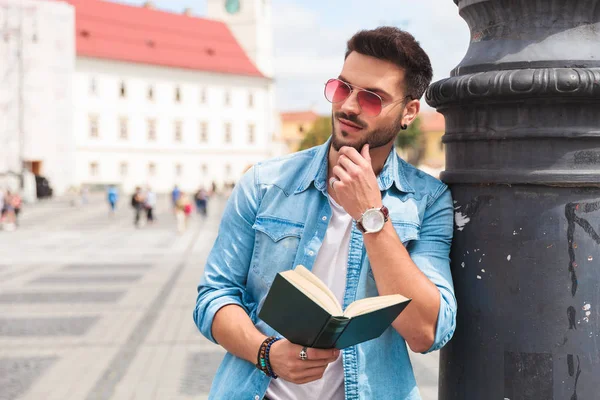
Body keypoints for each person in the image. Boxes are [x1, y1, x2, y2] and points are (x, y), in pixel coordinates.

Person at [193, 27, 456, 400]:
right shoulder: (265, 184)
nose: (348, 105)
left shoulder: (427, 201)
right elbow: (214, 297)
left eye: (372, 98)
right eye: (342, 87)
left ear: (409, 112)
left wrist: (371, 216)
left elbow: (427, 332)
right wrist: (266, 354)